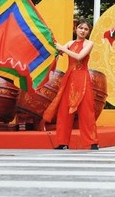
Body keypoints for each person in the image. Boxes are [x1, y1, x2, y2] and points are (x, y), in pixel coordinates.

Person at [44, 18, 99, 150]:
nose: (83, 31)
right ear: (76, 29)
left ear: (89, 31)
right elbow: (57, 51)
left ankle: (92, 142)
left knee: (86, 111)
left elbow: (79, 57)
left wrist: (63, 48)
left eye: (86, 29)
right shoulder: (70, 43)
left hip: (82, 79)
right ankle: (62, 142)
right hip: (69, 78)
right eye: (81, 28)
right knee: (64, 111)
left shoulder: (89, 44)